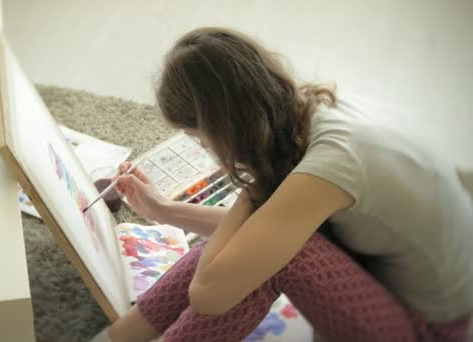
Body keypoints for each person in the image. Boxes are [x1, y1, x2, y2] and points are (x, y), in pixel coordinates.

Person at [93, 27, 473, 341]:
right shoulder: (309, 112)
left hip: (430, 329)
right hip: (401, 283)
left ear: (229, 129)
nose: (208, 151)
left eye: (204, 140)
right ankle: (121, 337)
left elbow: (207, 294)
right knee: (248, 248)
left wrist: (253, 189)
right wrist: (164, 211)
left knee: (262, 260)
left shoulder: (333, 163)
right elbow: (272, 228)